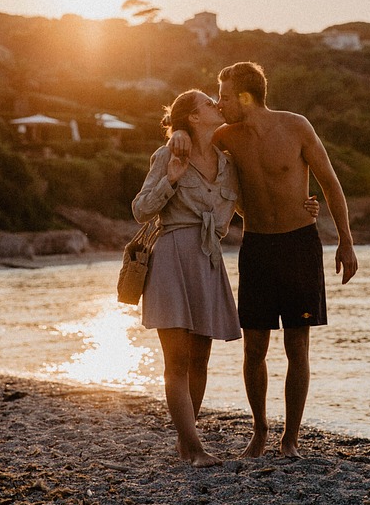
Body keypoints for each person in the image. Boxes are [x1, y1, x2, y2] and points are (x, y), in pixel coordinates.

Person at [171, 61, 358, 459]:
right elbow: (191, 138)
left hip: (299, 245)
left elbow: (330, 182)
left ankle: (290, 438)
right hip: (256, 248)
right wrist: (179, 136)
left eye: (222, 95)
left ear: (244, 96)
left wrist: (346, 241)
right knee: (254, 349)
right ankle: (259, 433)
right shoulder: (225, 137)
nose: (218, 104)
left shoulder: (296, 127)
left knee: (297, 346)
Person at [132, 89, 320, 466]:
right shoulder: (169, 153)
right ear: (193, 117)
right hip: (172, 256)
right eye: (207, 103)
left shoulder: (227, 163)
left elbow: (250, 207)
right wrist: (171, 177)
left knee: (200, 359)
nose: (216, 105)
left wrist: (300, 207)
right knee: (177, 362)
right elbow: (140, 210)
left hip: (208, 260)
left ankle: (187, 442)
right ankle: (195, 447)